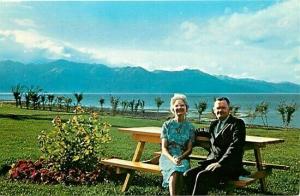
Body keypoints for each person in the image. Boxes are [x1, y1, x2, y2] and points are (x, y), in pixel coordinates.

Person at [184, 97, 246, 195]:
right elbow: (203, 131)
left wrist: (220, 163)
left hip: (229, 167)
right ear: (214, 110)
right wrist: (191, 133)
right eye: (218, 108)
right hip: (211, 163)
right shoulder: (214, 124)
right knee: (188, 174)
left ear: (229, 109)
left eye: (223, 107)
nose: (220, 110)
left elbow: (235, 146)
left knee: (202, 176)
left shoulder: (237, 124)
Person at [159, 93, 195, 196]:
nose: (179, 107)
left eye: (182, 105)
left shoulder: (190, 127)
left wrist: (180, 157)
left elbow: (189, 149)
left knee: (180, 171)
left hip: (183, 157)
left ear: (186, 108)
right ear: (173, 108)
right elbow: (164, 148)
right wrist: (172, 159)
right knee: (174, 170)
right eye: (176, 105)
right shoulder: (167, 125)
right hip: (167, 156)